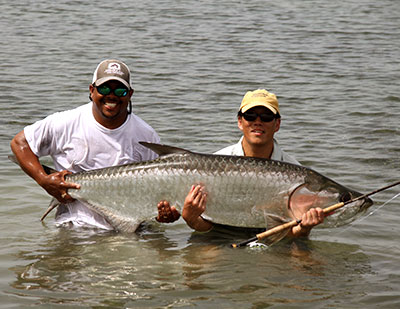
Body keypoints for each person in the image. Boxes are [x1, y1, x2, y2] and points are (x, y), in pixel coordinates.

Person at [10, 59, 160, 230]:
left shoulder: (147, 135)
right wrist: (44, 180)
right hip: (75, 227)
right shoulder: (65, 122)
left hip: (125, 232)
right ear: (92, 90)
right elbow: (19, 143)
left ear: (130, 94)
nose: (112, 95)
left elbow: (155, 194)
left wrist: (165, 213)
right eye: (104, 88)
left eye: (120, 90)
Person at [157, 89, 325, 238]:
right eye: (250, 116)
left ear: (277, 124)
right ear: (240, 121)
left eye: (266, 117)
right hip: (220, 235)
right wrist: (191, 218)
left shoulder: (296, 174)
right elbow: (206, 228)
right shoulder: (213, 163)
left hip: (271, 238)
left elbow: (289, 234)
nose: (257, 121)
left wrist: (303, 230)